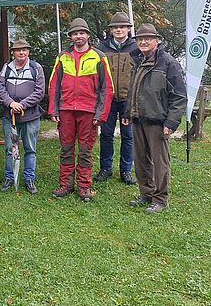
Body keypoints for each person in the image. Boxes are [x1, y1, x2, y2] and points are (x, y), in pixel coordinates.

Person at [123, 24, 187, 213]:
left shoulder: (168, 63)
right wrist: (128, 112)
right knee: (141, 159)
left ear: (157, 41)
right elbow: (133, 90)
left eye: (148, 38)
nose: (143, 42)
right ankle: (146, 193)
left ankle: (160, 199)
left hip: (158, 121)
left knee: (160, 162)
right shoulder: (136, 60)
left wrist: (171, 122)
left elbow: (179, 96)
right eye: (140, 39)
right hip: (138, 118)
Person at [48, 18, 113, 202]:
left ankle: (84, 186)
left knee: (85, 150)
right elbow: (54, 85)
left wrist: (101, 114)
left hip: (89, 111)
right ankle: (66, 185)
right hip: (66, 109)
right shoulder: (62, 57)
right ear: (71, 37)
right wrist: (53, 110)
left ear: (88, 35)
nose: (78, 36)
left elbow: (107, 88)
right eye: (75, 33)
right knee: (66, 149)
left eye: (81, 33)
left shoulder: (99, 57)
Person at [95, 11, 138, 185]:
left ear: (128, 29)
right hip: (108, 99)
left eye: (122, 27)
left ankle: (126, 170)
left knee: (128, 136)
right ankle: (106, 168)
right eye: (115, 27)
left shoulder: (136, 48)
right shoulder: (102, 48)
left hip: (128, 99)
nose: (119, 30)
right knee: (106, 134)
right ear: (111, 30)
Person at [0, 39, 45, 194]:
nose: (21, 53)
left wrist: (22, 104)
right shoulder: (7, 68)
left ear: (28, 51)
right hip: (9, 115)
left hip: (30, 115)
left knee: (30, 148)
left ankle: (29, 178)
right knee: (10, 148)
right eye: (18, 50)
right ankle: (9, 177)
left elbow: (39, 91)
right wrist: (11, 103)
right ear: (13, 52)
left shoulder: (36, 68)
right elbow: (0, 87)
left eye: (24, 50)